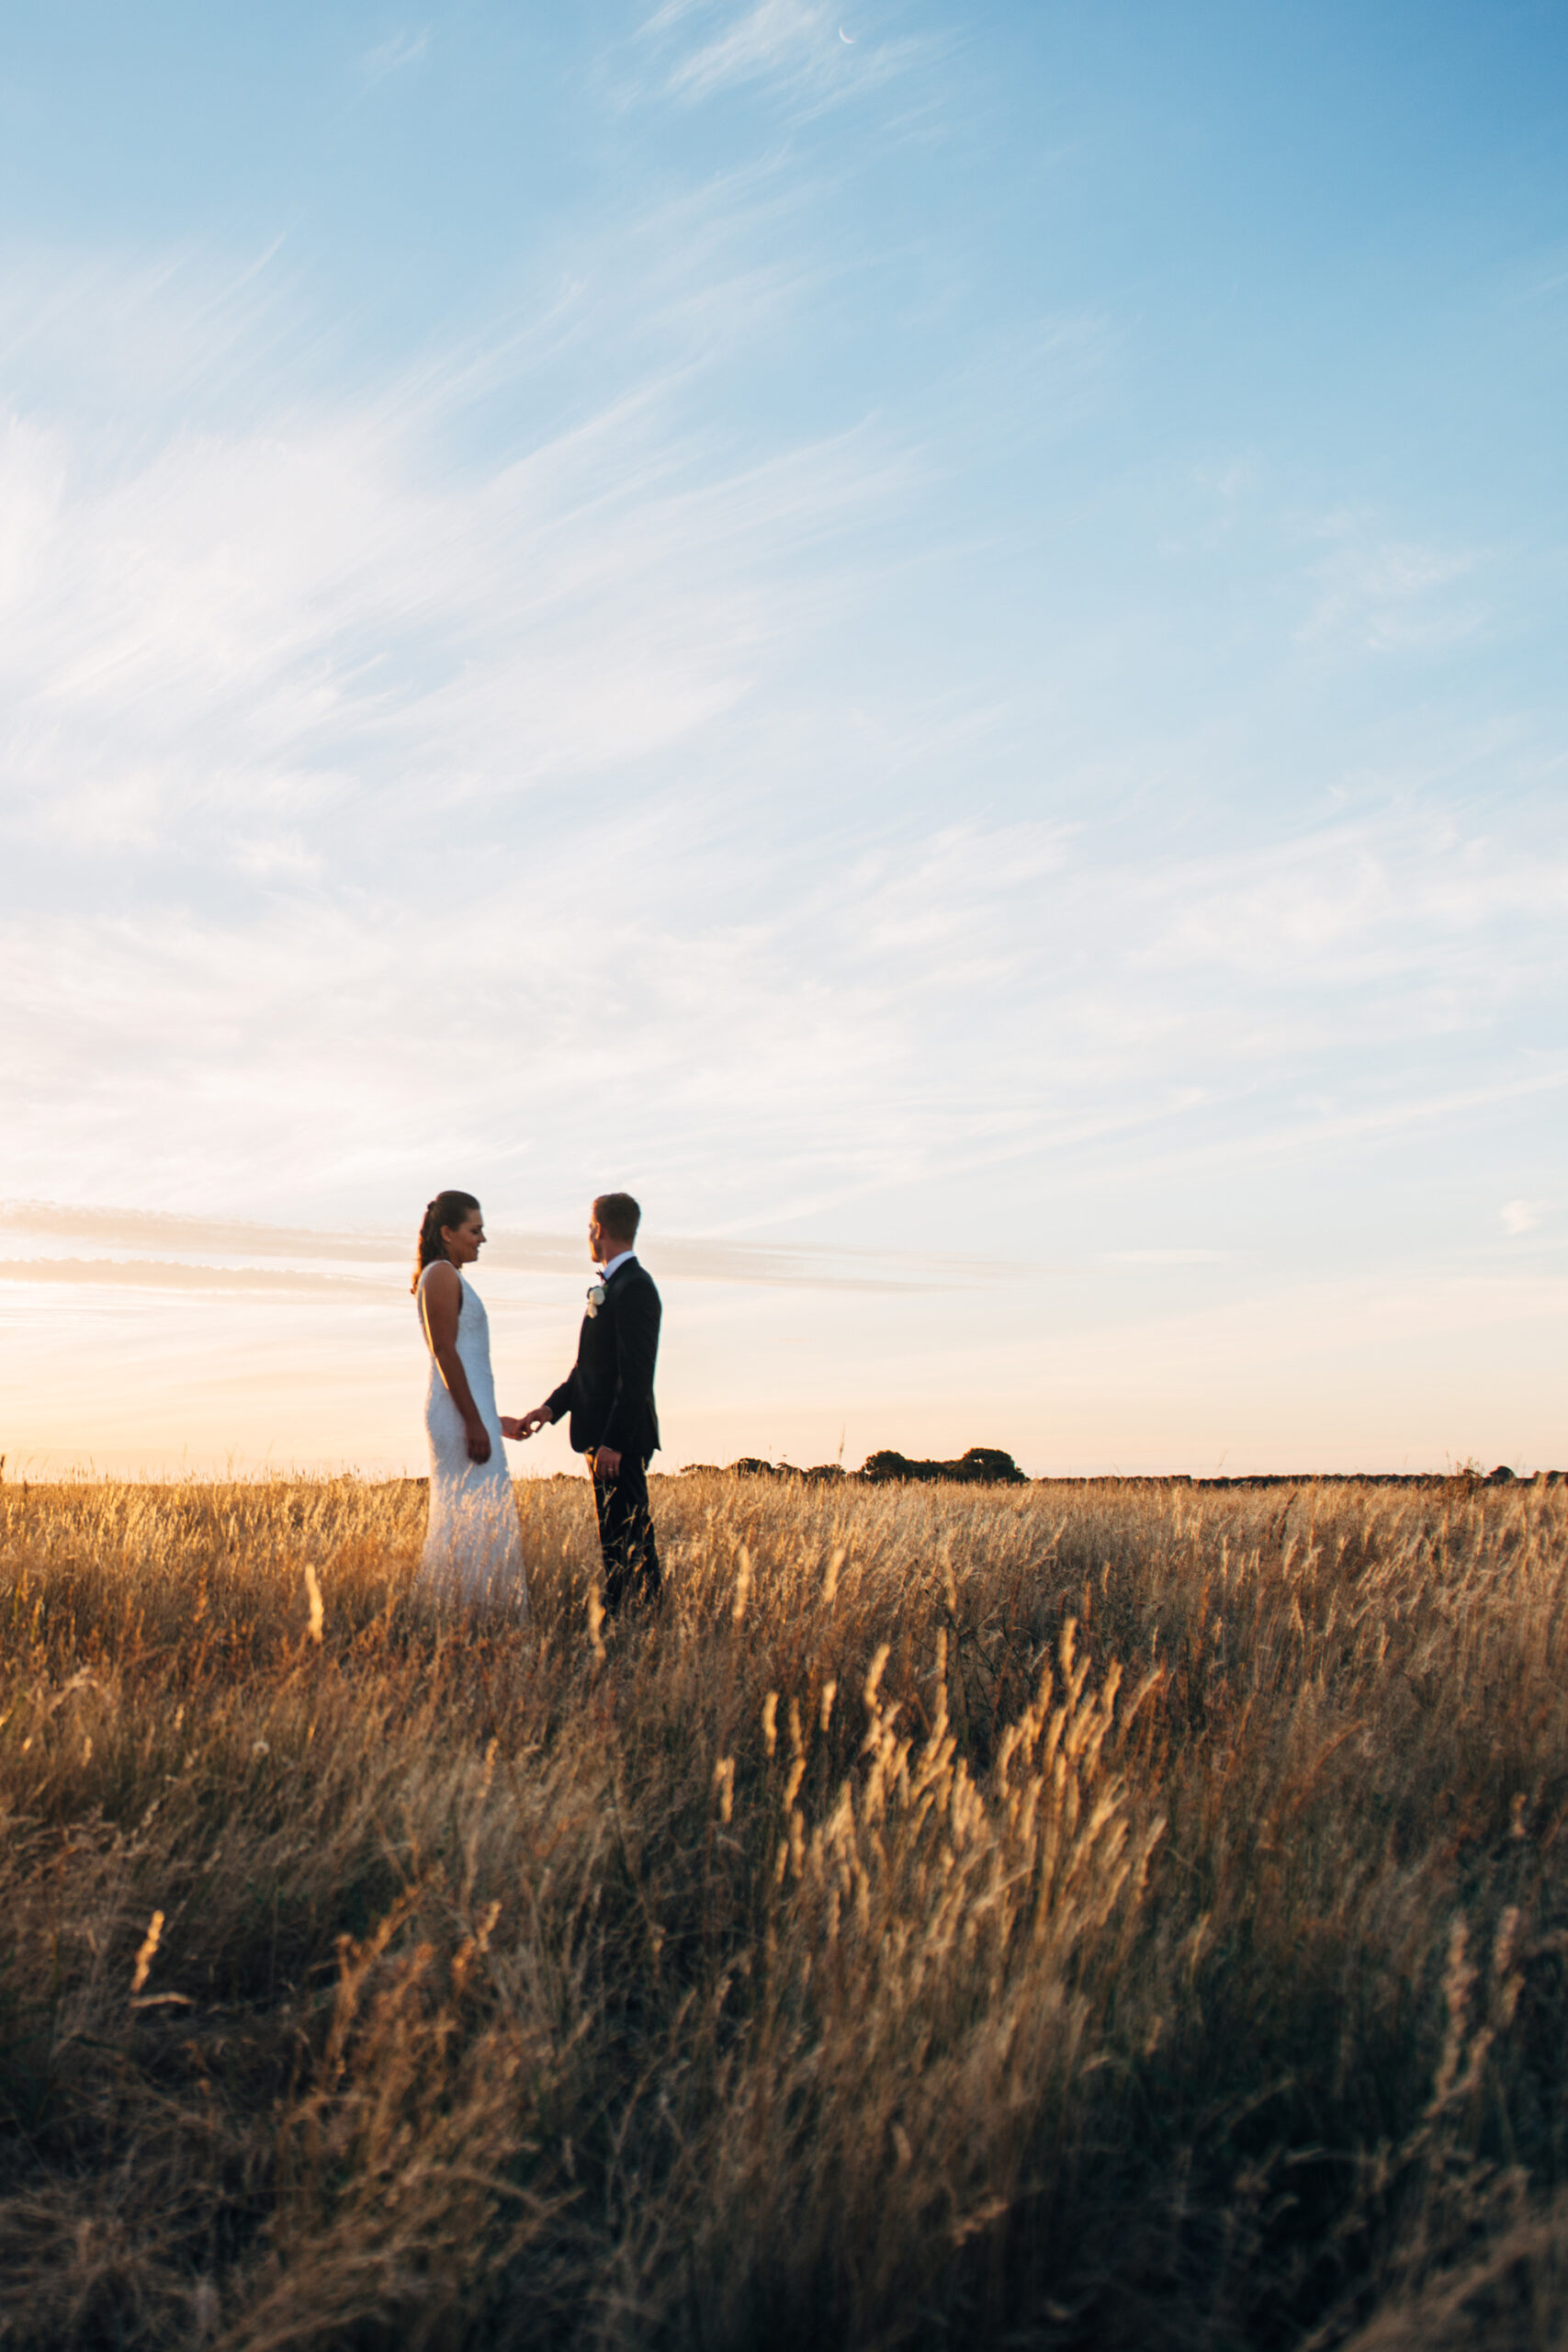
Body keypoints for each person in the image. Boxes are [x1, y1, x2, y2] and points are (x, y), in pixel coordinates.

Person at [517, 1192, 661, 1615]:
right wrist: (550, 1408)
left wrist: (615, 1441)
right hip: (602, 1438)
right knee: (614, 1538)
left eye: (588, 1226)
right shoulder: (612, 1287)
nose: (588, 1234)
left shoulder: (634, 1287)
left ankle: (645, 1619)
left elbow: (636, 1375)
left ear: (598, 1229)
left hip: (621, 1441)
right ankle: (624, 1620)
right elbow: (588, 1369)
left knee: (632, 1537)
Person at [412, 1190, 528, 1608]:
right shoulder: (441, 1274)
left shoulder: (452, 1275)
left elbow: (469, 1362)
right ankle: (465, 1615)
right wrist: (474, 1423)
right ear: (447, 1233)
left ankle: (479, 1617)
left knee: (483, 1513)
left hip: (471, 1414)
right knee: (470, 1514)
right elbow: (445, 1352)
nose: (481, 1239)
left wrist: (493, 1420)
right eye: (474, 1230)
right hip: (459, 1418)